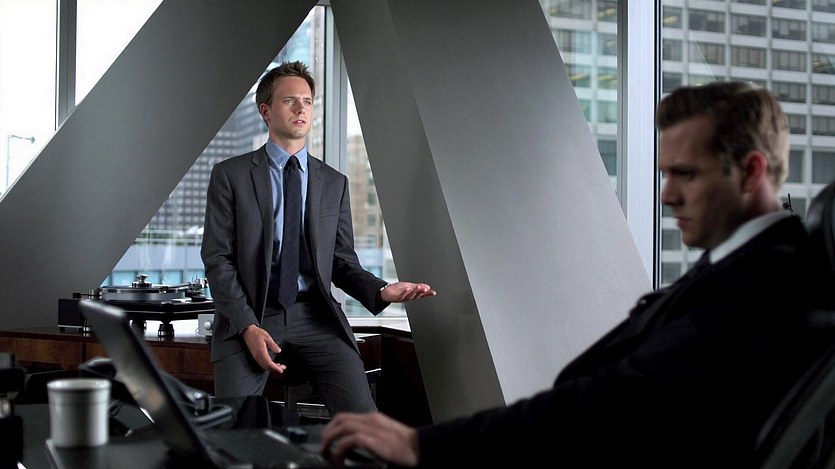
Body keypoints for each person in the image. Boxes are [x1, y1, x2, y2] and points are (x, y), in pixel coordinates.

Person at [319, 81, 833, 467]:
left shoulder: (763, 285)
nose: (667, 195)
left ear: (751, 171)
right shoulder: (746, 266)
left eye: (686, 174)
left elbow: (616, 403)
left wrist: (423, 444)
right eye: (665, 174)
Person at [201, 61, 435, 417]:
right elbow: (218, 259)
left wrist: (382, 290)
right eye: (289, 101)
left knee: (364, 422)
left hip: (315, 315)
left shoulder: (334, 182)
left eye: (307, 101)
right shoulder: (231, 176)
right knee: (234, 426)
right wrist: (247, 326)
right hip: (252, 312)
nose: (301, 109)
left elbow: (340, 261)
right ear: (265, 111)